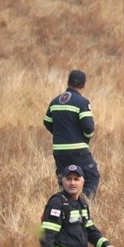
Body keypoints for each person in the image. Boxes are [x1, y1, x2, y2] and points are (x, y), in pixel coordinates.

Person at [39, 164, 117, 247]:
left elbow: (90, 229)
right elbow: (47, 235)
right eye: (69, 179)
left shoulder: (82, 203)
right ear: (62, 181)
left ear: (83, 182)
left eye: (76, 179)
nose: (72, 183)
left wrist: (105, 244)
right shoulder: (57, 203)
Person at [44, 69, 100, 197]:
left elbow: (47, 121)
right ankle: (84, 205)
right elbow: (88, 127)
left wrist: (59, 134)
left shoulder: (55, 101)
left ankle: (65, 206)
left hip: (59, 150)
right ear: (84, 85)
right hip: (78, 149)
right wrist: (85, 139)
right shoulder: (82, 102)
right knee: (92, 177)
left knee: (66, 180)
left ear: (68, 83)